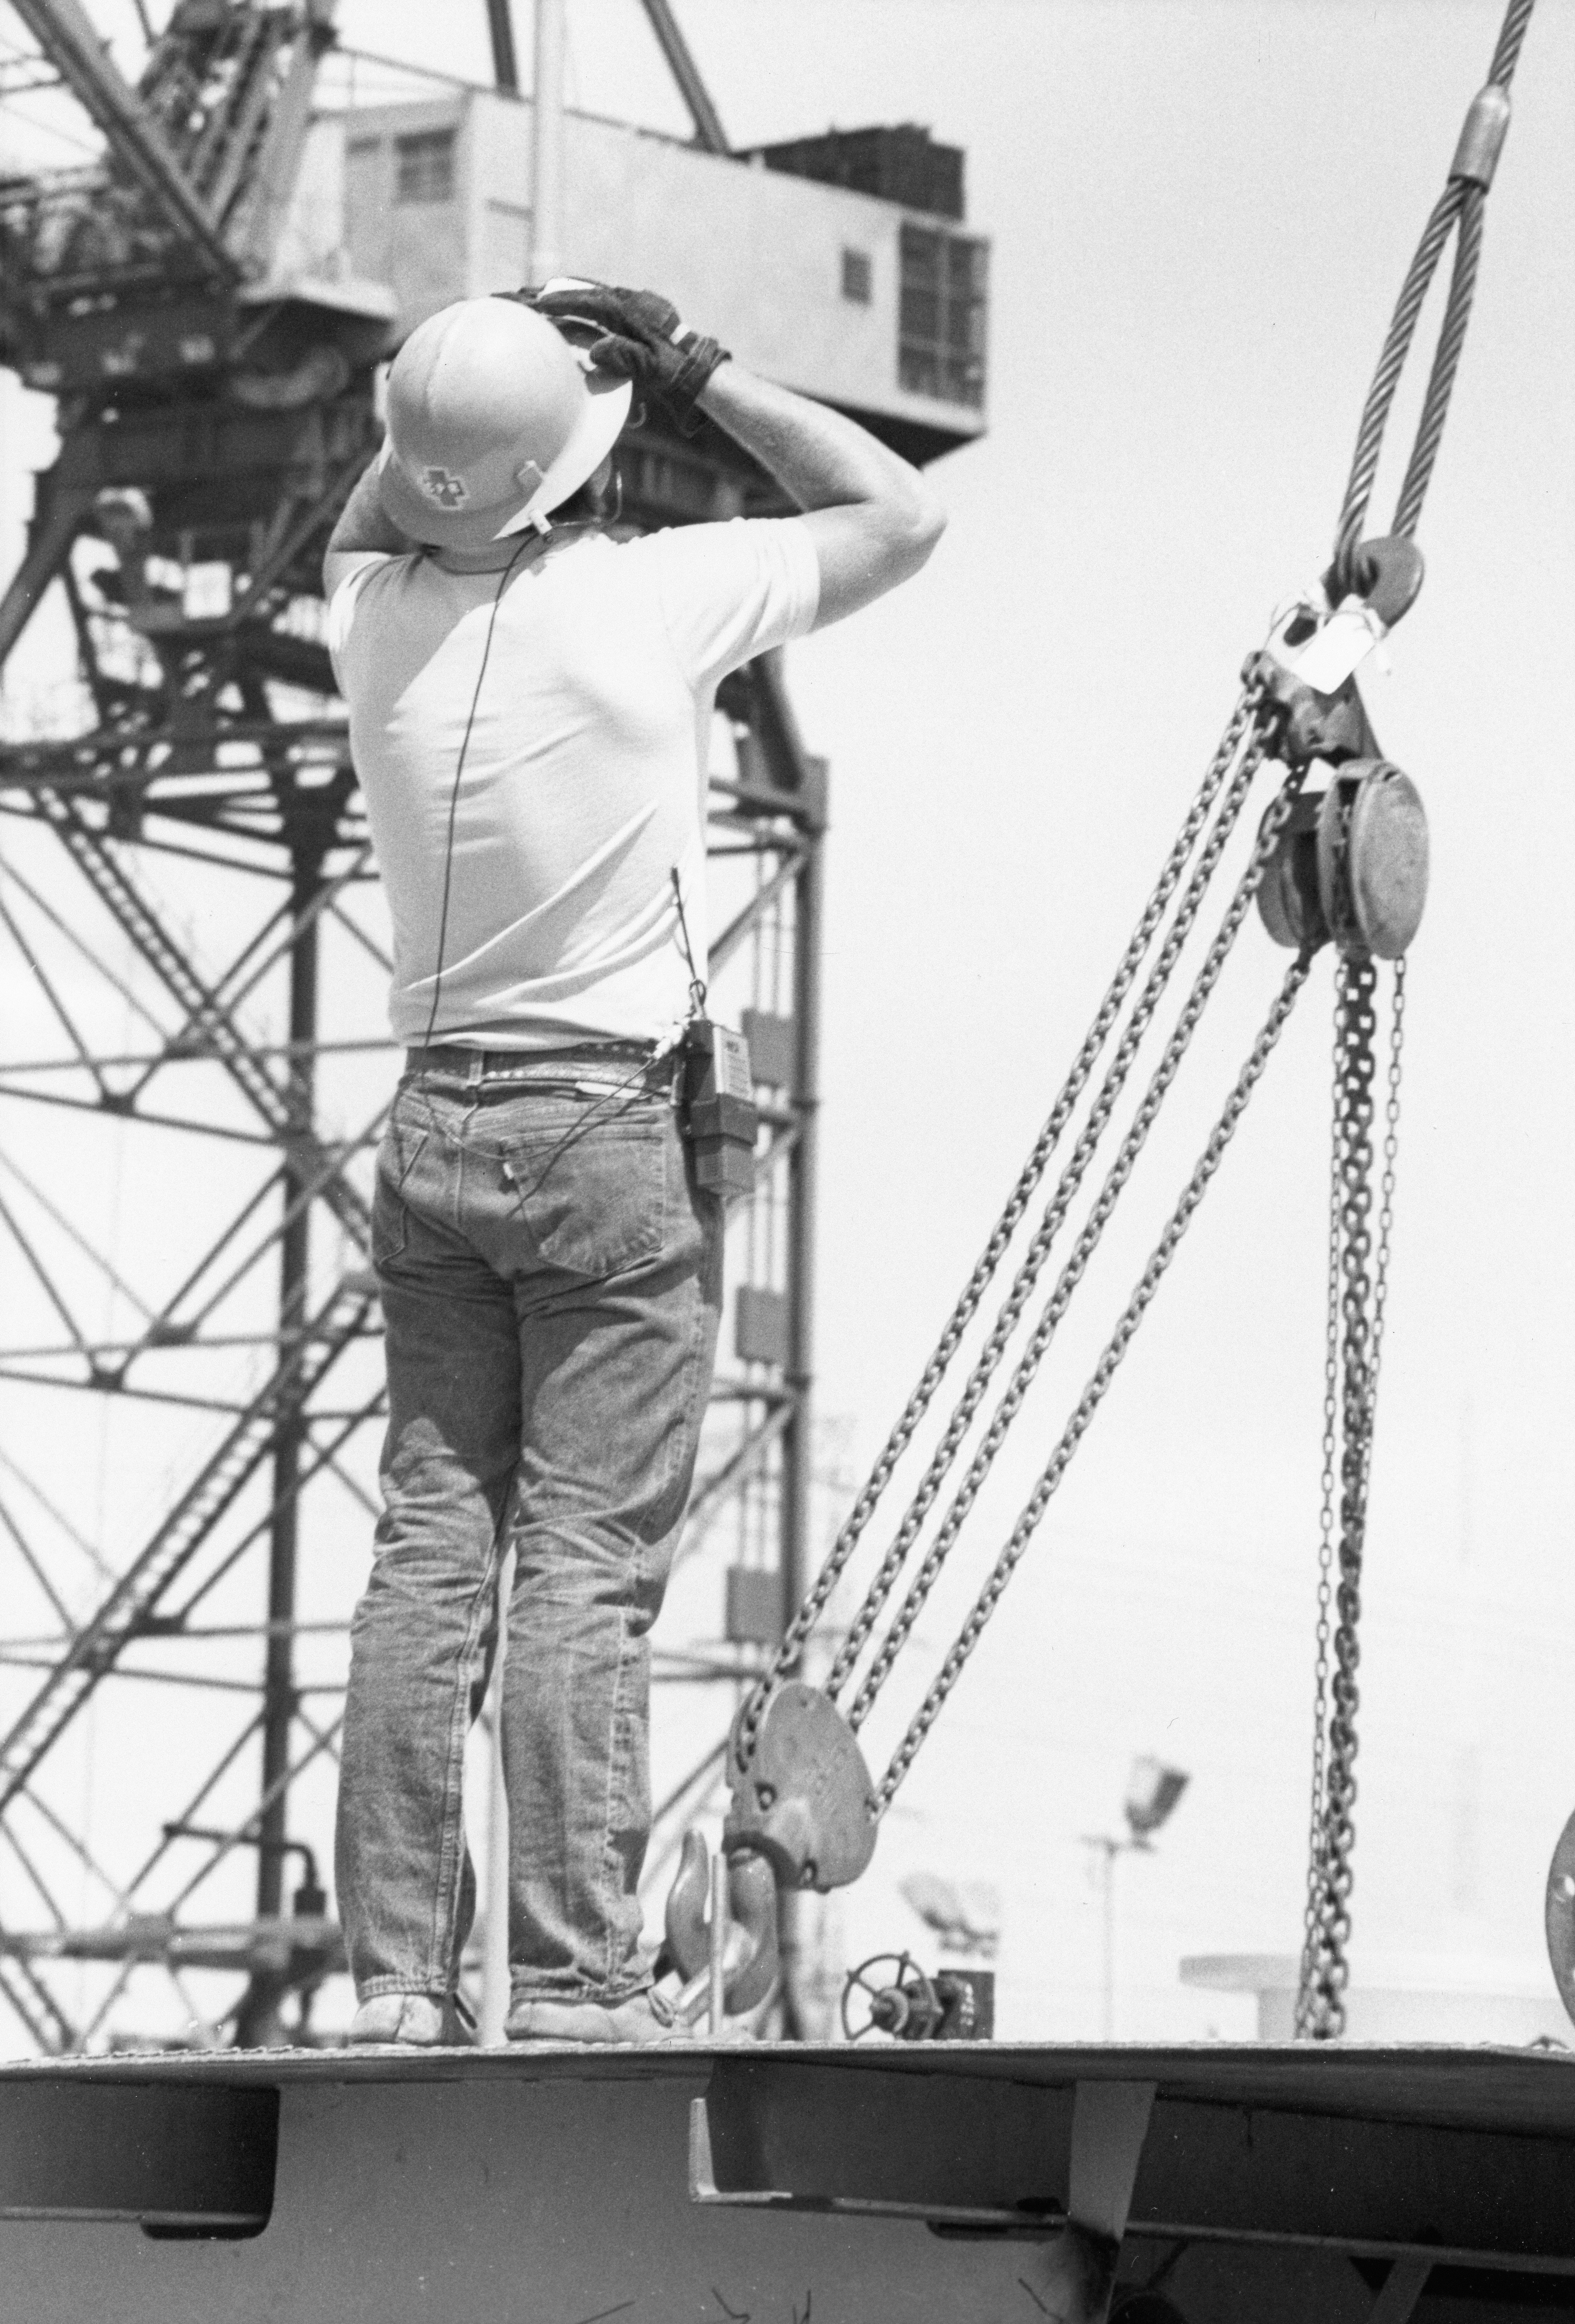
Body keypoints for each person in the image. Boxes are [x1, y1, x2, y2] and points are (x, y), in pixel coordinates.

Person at [324, 285, 944, 2046]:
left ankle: (393, 1984)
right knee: (588, 1565)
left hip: (434, 1129)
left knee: (431, 1557)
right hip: (606, 1139)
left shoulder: (365, 619)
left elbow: (390, 505)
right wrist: (694, 367)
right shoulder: (651, 598)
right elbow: (904, 515)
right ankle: (578, 1980)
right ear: (565, 473)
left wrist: (441, 416)